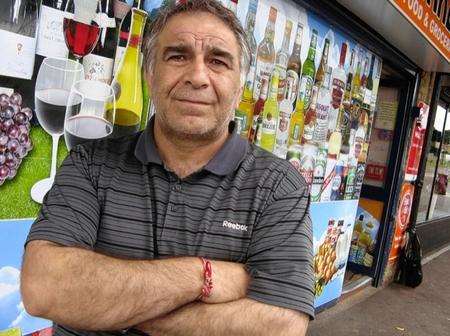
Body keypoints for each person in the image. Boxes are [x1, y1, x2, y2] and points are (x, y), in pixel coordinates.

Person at [21, 1, 314, 335]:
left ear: (240, 86)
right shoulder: (90, 163)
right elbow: (44, 286)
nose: (197, 77)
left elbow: (282, 325)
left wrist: (113, 307)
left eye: (218, 61)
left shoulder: (279, 187)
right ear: (149, 73)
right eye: (178, 56)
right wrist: (204, 276)